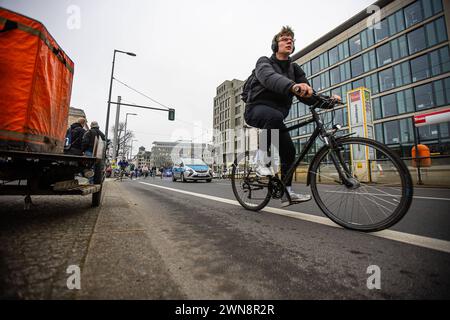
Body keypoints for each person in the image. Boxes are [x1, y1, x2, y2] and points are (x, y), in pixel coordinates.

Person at [243, 26, 340, 206]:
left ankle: (287, 193)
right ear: (275, 44)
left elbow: (308, 95)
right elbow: (269, 78)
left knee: (290, 152)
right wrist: (293, 87)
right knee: (273, 116)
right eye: (284, 38)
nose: (289, 41)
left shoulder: (295, 69)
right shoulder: (264, 62)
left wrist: (328, 101)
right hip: (256, 109)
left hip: (276, 119)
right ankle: (261, 162)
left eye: (291, 40)